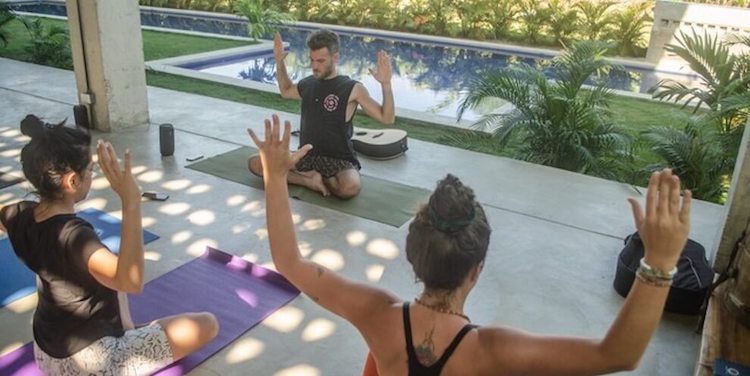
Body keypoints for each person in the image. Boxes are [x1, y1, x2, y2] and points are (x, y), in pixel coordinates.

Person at [248, 114, 693, 376]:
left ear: (412, 258)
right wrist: (659, 263)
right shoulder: (491, 351)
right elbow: (617, 355)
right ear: (477, 269)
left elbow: (288, 260)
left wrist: (275, 174)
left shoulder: (376, 315)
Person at [0, 115, 219, 375]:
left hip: (45, 351)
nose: (93, 176)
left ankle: (128, 332)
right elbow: (131, 281)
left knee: (109, 266)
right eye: (90, 171)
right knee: (207, 324)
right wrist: (131, 201)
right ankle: (128, 341)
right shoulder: (75, 236)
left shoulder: (18, 214)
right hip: (87, 364)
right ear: (72, 181)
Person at [247, 29, 395, 199]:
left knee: (350, 187)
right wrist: (279, 62)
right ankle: (308, 181)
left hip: (338, 160)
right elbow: (286, 91)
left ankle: (315, 178)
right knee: (256, 163)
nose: (315, 66)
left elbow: (387, 118)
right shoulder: (309, 83)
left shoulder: (352, 88)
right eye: (312, 60)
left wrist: (386, 84)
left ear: (335, 58)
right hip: (306, 156)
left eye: (321, 61)